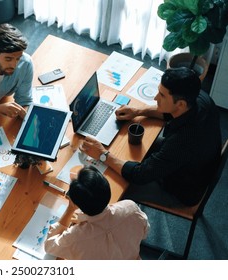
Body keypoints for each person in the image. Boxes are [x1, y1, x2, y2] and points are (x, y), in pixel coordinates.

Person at [80, 67, 222, 207]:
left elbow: (139, 175)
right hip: (193, 163)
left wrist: (102, 154)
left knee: (110, 188)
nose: (155, 98)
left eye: (162, 95)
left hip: (182, 189)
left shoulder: (183, 140)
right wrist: (138, 111)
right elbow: (169, 112)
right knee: (126, 150)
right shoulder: (198, 97)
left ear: (180, 103)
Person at [44, 166, 149, 260]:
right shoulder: (131, 208)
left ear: (76, 203)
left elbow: (49, 246)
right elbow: (145, 233)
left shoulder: (75, 238)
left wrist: (70, 209)